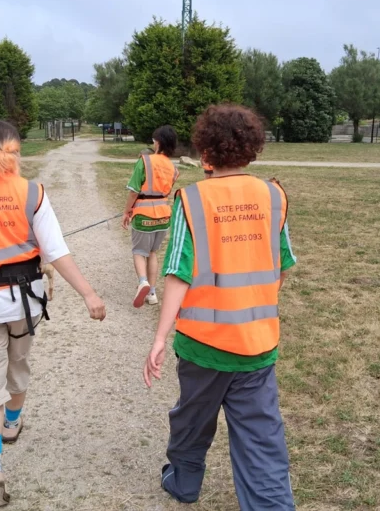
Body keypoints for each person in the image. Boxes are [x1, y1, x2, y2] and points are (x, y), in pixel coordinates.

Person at [0, 120, 106, 509]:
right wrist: (89, 293)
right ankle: (13, 423)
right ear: (15, 152)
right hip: (24, 304)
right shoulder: (33, 193)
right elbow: (57, 252)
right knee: (19, 365)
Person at [143, 104, 297, 510]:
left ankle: (184, 482)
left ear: (206, 152)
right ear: (252, 150)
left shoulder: (191, 200)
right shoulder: (273, 195)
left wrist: (160, 338)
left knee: (192, 421)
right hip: (258, 345)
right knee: (262, 441)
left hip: (202, 345)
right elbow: (283, 267)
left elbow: (177, 274)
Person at [121, 126, 180, 307]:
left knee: (139, 252)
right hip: (163, 216)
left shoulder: (145, 161)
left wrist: (126, 211)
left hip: (143, 214)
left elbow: (133, 191)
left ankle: (142, 282)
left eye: (154, 140)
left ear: (158, 142)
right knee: (153, 252)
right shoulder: (173, 167)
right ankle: (152, 293)